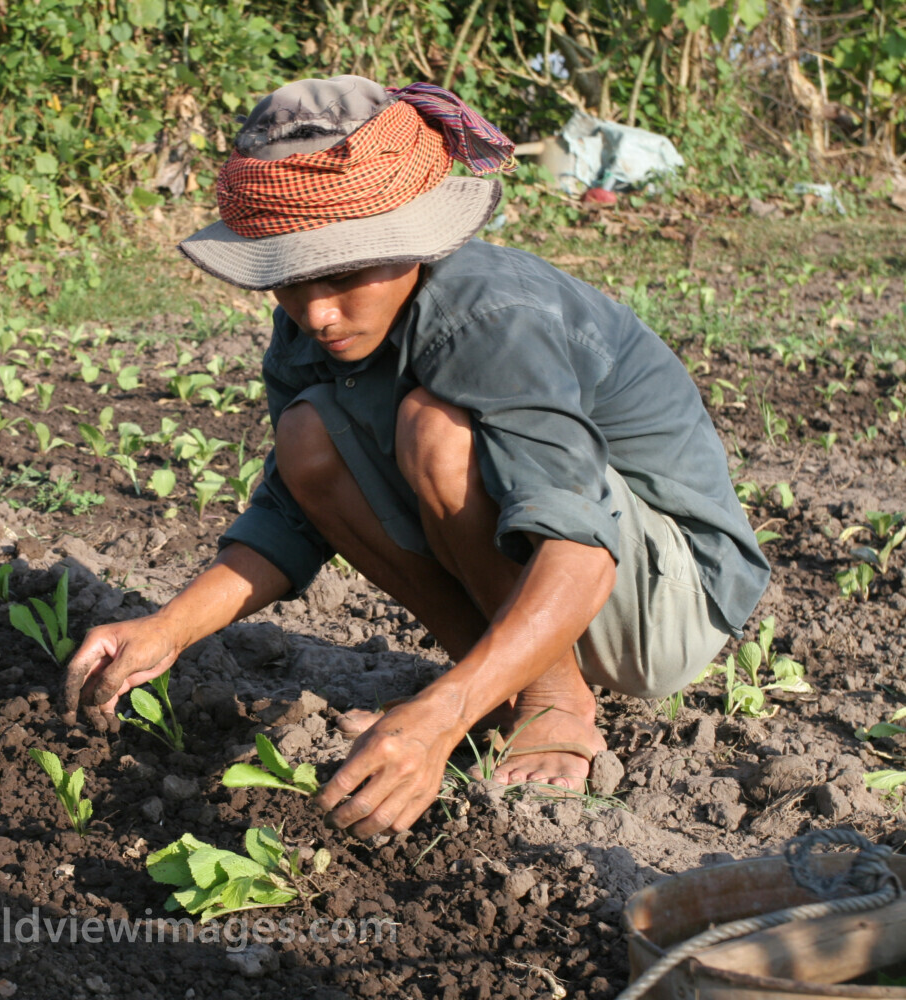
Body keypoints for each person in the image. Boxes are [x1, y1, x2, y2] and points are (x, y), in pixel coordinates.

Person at [62, 76, 770, 839]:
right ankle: (496, 687)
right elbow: (291, 516)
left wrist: (437, 715)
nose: (318, 312)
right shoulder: (307, 331)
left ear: (412, 239)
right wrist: (167, 629)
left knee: (436, 430)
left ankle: (553, 705)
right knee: (308, 438)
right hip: (566, 585)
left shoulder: (490, 316)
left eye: (340, 274)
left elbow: (582, 552)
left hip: (667, 594)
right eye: (289, 282)